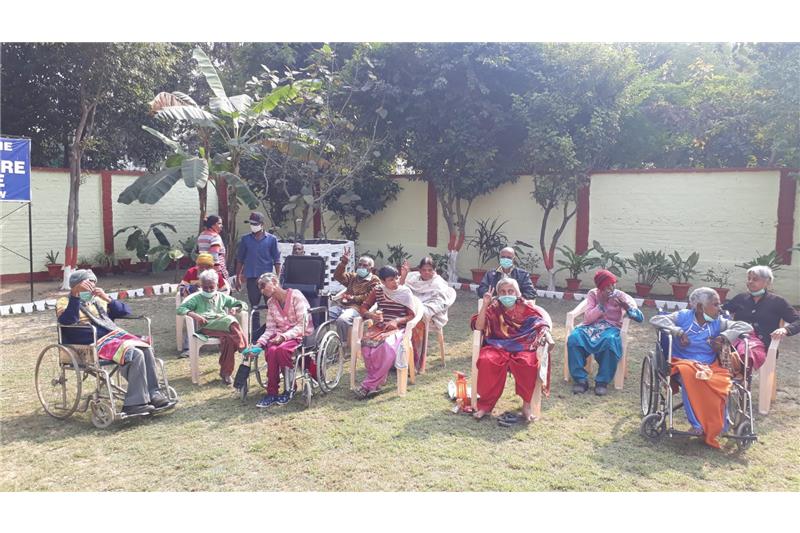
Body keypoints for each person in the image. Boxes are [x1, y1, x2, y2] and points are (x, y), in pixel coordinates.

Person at [56, 270, 173, 415]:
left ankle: (153, 393)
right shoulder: (64, 301)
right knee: (134, 354)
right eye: (87, 283)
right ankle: (134, 403)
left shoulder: (97, 300)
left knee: (145, 348)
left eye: (93, 282)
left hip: (112, 337)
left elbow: (125, 312)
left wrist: (107, 299)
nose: (91, 286)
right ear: (76, 285)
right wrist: (75, 295)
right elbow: (68, 320)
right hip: (89, 342)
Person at [650, 287, 753, 448]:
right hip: (682, 362)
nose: (720, 309)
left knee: (720, 381)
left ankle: (716, 426)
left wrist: (724, 336)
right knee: (690, 374)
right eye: (715, 305)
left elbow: (746, 327)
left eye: (719, 304)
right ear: (699, 307)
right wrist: (677, 331)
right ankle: (697, 425)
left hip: (710, 365)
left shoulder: (719, 322)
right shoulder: (683, 316)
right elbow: (656, 320)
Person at [471, 278, 553, 422]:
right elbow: (478, 327)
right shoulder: (493, 308)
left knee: (528, 363)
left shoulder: (525, 308)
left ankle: (527, 406)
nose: (507, 294)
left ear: (517, 293)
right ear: (498, 294)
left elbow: (540, 322)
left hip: (522, 345)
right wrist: (485, 305)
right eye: (502, 292)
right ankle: (485, 405)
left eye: (510, 291)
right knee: (486, 360)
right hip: (497, 345)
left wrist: (544, 333)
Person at [567, 269, 644, 396]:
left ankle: (602, 382)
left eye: (613, 284)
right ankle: (580, 379)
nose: (611, 288)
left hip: (611, 327)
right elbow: (588, 319)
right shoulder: (593, 294)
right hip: (591, 326)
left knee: (610, 342)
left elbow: (640, 318)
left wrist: (627, 307)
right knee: (574, 338)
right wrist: (601, 305)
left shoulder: (620, 295)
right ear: (600, 287)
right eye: (607, 286)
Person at [353, 265, 417, 399]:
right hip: (380, 326)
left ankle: (368, 385)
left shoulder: (405, 292)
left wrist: (397, 321)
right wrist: (371, 316)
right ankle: (378, 381)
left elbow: (411, 315)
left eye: (397, 278)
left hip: (398, 328)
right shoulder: (377, 291)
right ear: (382, 282)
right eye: (391, 280)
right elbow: (364, 307)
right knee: (366, 344)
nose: (396, 282)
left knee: (386, 346)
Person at [252, 273, 315, 408]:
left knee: (281, 350)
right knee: (271, 350)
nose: (262, 290)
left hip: (299, 334)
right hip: (280, 336)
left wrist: (284, 337)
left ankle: (289, 389)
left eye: (263, 286)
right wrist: (259, 343)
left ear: (274, 282)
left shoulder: (296, 296)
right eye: (260, 288)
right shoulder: (271, 303)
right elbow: (270, 329)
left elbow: (302, 325)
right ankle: (272, 392)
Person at [176, 269, 249, 385]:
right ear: (201, 285)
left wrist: (235, 308)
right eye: (205, 287)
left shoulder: (221, 296)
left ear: (216, 286)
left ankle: (226, 373)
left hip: (223, 327)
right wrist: (194, 315)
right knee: (231, 320)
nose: (209, 290)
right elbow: (180, 309)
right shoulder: (196, 298)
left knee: (229, 340)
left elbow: (242, 304)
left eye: (211, 287)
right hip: (207, 326)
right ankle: (243, 347)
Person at [724, 265, 799, 356]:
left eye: (755, 279)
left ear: (767, 282)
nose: (750, 282)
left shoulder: (777, 301)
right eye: (749, 278)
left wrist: (785, 329)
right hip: (737, 340)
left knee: (743, 352)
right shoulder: (741, 298)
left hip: (761, 344)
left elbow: (797, 320)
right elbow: (722, 311)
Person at [399, 257, 457, 371]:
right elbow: (400, 292)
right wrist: (404, 276)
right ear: (419, 270)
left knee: (416, 322)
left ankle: (414, 364)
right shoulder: (413, 278)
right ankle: (397, 360)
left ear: (434, 270)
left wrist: (419, 311)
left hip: (431, 317)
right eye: (424, 270)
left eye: (430, 270)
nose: (427, 272)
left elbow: (439, 304)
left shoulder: (439, 283)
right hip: (411, 311)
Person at [235, 212, 281, 342]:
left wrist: (278, 278)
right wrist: (238, 277)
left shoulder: (271, 239)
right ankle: (255, 334)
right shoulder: (245, 239)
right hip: (251, 278)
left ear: (262, 225)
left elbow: (277, 260)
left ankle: (271, 331)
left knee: (271, 306)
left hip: (268, 280)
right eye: (251, 224)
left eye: (255, 224)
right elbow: (240, 259)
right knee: (254, 306)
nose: (253, 226)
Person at [329, 249, 380, 349]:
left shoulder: (374, 280)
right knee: (325, 314)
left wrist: (353, 298)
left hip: (358, 308)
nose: (361, 267)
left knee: (342, 320)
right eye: (360, 264)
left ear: (371, 268)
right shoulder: (353, 276)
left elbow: (370, 297)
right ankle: (325, 341)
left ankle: (343, 344)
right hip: (342, 305)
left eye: (365, 265)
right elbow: (338, 276)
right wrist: (343, 263)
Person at [197, 215, 228, 281]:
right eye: (219, 223)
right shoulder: (215, 237)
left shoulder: (202, 235)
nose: (221, 225)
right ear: (212, 225)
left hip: (202, 266)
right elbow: (214, 253)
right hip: (214, 266)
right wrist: (217, 269)